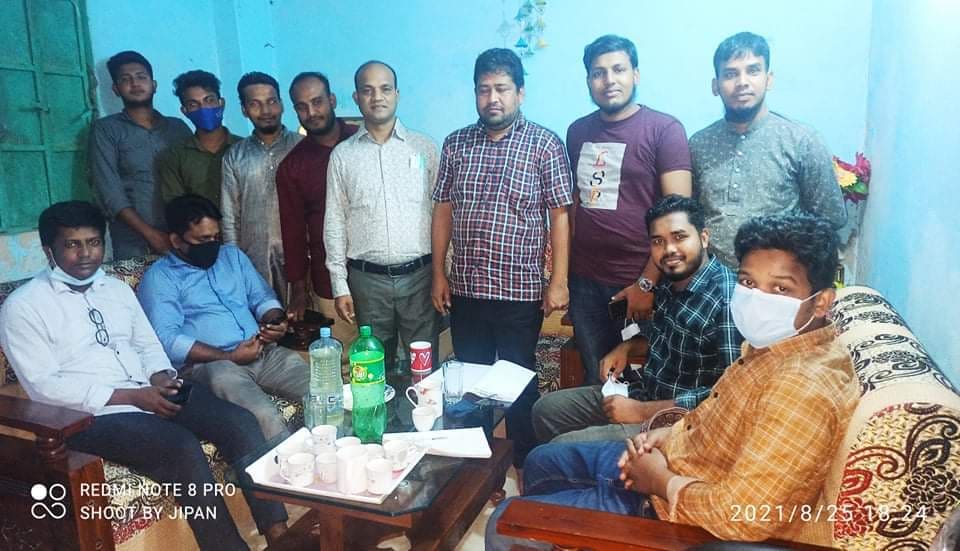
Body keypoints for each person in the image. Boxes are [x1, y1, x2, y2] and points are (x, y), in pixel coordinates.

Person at [486, 213, 859, 550]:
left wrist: (659, 480)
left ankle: (558, 530)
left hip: (670, 511)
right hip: (673, 453)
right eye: (748, 281)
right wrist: (666, 435)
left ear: (821, 301)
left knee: (502, 524)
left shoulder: (802, 389)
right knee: (541, 461)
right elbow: (717, 408)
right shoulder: (770, 347)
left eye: (780, 289)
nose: (756, 299)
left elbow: (745, 516)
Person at [0, 201, 288, 550]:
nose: (86, 253)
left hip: (147, 391)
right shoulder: (23, 307)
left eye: (93, 242)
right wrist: (132, 397)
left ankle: (280, 536)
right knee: (180, 446)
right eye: (72, 245)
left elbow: (148, 345)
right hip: (91, 415)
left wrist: (160, 376)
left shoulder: (116, 290)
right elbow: (45, 387)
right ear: (49, 250)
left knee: (239, 422)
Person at [431, 48, 573, 468]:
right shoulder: (456, 143)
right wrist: (439, 273)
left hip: (519, 292)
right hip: (467, 288)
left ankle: (526, 466)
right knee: (470, 383)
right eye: (483, 89)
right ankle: (477, 471)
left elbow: (560, 216)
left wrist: (558, 280)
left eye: (502, 89)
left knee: (518, 383)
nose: (492, 98)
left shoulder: (544, 144)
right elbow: (443, 210)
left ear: (520, 93)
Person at [532, 195, 741, 443]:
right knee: (546, 410)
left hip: (679, 424)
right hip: (644, 393)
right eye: (658, 241)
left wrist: (641, 411)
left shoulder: (728, 300)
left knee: (559, 450)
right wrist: (628, 348)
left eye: (679, 237)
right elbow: (669, 337)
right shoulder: (671, 281)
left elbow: (734, 396)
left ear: (704, 238)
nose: (669, 249)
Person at [566, 35, 693, 384]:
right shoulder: (577, 131)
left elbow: (679, 216)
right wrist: (565, 278)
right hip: (586, 284)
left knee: (645, 378)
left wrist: (647, 283)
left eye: (618, 69)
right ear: (588, 80)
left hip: (639, 281)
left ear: (635, 74)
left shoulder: (664, 130)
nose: (609, 80)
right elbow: (575, 203)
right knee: (599, 378)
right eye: (598, 73)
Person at [138, 194, 309, 439]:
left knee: (322, 391)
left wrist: (276, 321)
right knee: (264, 415)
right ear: (176, 240)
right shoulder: (161, 277)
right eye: (203, 239)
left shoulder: (232, 257)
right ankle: (284, 463)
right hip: (214, 366)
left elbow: (262, 298)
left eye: (216, 237)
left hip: (262, 352)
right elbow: (167, 339)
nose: (213, 245)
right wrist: (228, 356)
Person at [690, 32, 847, 268]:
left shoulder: (801, 140)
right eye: (730, 74)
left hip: (778, 280)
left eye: (753, 70)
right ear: (715, 85)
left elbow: (830, 218)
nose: (742, 82)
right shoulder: (699, 143)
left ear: (768, 79)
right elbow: (690, 216)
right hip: (711, 279)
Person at [324, 61, 440, 367]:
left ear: (397, 94)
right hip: (368, 282)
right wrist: (339, 285)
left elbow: (441, 213)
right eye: (368, 90)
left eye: (385, 88)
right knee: (374, 367)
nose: (377, 97)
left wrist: (445, 273)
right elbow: (334, 221)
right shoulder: (343, 156)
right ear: (357, 97)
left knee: (424, 367)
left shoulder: (424, 148)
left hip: (420, 278)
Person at [89, 50, 191, 259]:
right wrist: (150, 234)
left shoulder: (178, 128)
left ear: (154, 85)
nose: (135, 84)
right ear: (116, 89)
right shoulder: (106, 129)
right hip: (133, 240)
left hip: (182, 234)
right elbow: (109, 191)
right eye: (125, 79)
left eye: (141, 77)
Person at [277, 72, 358, 322]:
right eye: (302, 107)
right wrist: (299, 290)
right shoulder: (293, 166)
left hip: (379, 277)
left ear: (332, 100)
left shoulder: (362, 142)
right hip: (329, 282)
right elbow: (293, 233)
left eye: (317, 102)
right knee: (341, 347)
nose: (311, 112)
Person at [221, 72, 302, 300]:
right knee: (265, 316)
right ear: (244, 110)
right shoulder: (235, 156)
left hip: (301, 258)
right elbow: (230, 216)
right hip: (253, 259)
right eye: (255, 104)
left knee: (307, 317)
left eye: (271, 101)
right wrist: (235, 264)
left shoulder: (302, 148)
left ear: (282, 104)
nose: (266, 110)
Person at [157, 70, 242, 206]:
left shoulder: (244, 148)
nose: (204, 108)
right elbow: (176, 206)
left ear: (221, 103)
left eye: (209, 100)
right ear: (184, 111)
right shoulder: (174, 157)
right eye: (193, 104)